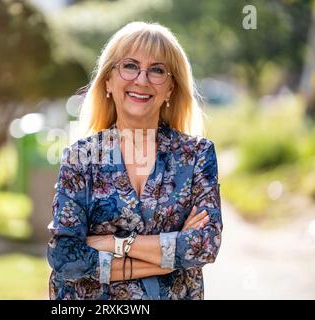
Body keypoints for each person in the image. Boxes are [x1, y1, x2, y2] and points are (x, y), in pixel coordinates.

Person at [47, 21, 222, 300]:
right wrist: (168, 261)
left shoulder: (197, 156)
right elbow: (65, 257)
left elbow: (203, 245)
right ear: (108, 81)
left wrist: (114, 244)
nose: (142, 79)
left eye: (157, 70)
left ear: (170, 89)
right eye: (129, 66)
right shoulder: (81, 158)